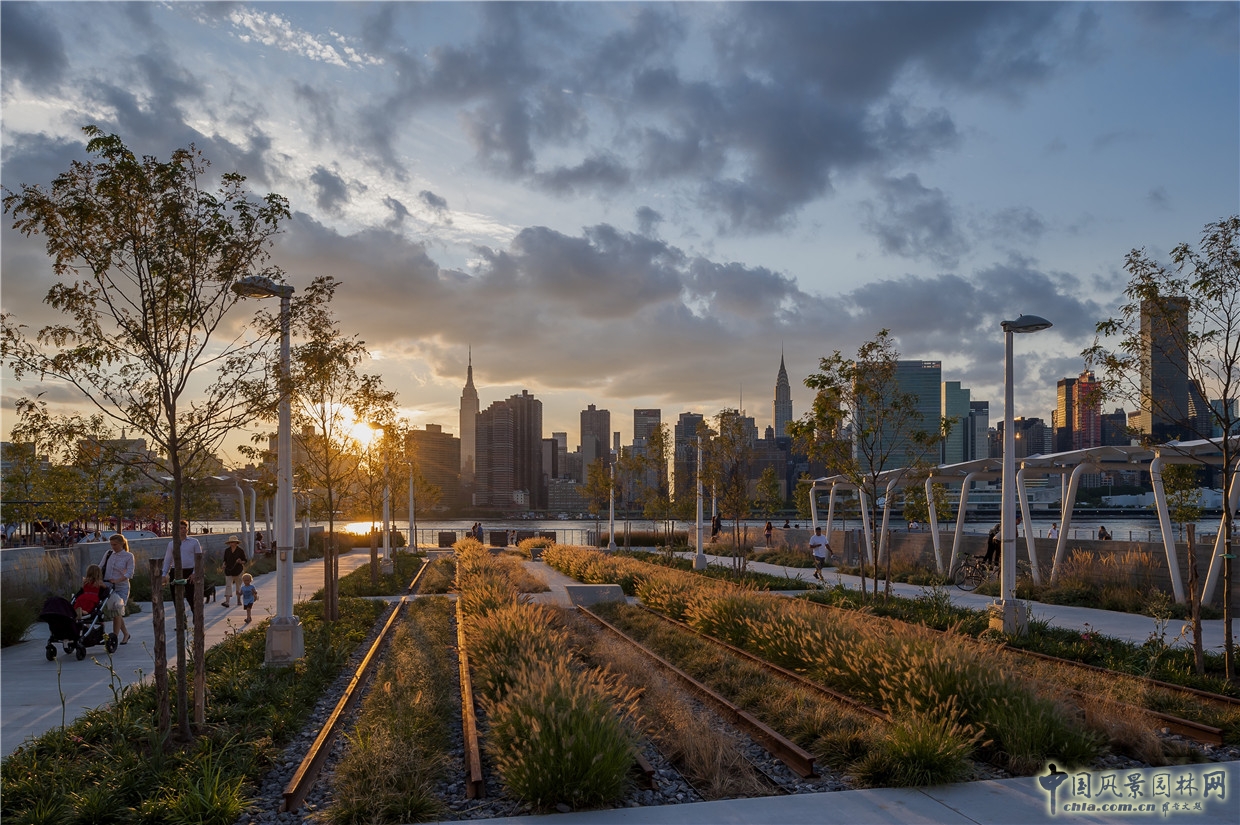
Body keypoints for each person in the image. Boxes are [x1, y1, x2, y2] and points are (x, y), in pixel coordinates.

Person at [162, 519, 202, 609]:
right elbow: (168, 560)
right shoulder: (171, 544)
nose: (183, 530)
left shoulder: (194, 542)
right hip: (175, 570)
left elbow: (198, 559)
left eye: (184, 528)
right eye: (180, 528)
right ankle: (181, 618)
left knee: (191, 597)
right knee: (176, 597)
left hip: (190, 571)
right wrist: (164, 574)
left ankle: (196, 618)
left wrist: (195, 573)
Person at [102, 534, 135, 644]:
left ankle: (114, 637)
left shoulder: (128, 556)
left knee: (117, 611)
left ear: (121, 544)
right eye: (111, 544)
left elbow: (130, 573)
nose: (113, 547)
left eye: (115, 544)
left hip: (121, 587)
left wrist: (118, 580)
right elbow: (101, 566)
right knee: (116, 612)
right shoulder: (108, 553)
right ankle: (125, 633)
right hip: (108, 586)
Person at [221, 535, 247, 608]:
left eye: (233, 542)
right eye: (230, 542)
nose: (231, 543)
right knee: (228, 586)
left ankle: (238, 600)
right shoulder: (227, 551)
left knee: (238, 586)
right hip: (228, 570)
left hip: (238, 571)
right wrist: (223, 565)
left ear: (236, 543)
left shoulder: (240, 551)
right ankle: (227, 602)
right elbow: (225, 560)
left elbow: (245, 560)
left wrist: (240, 561)